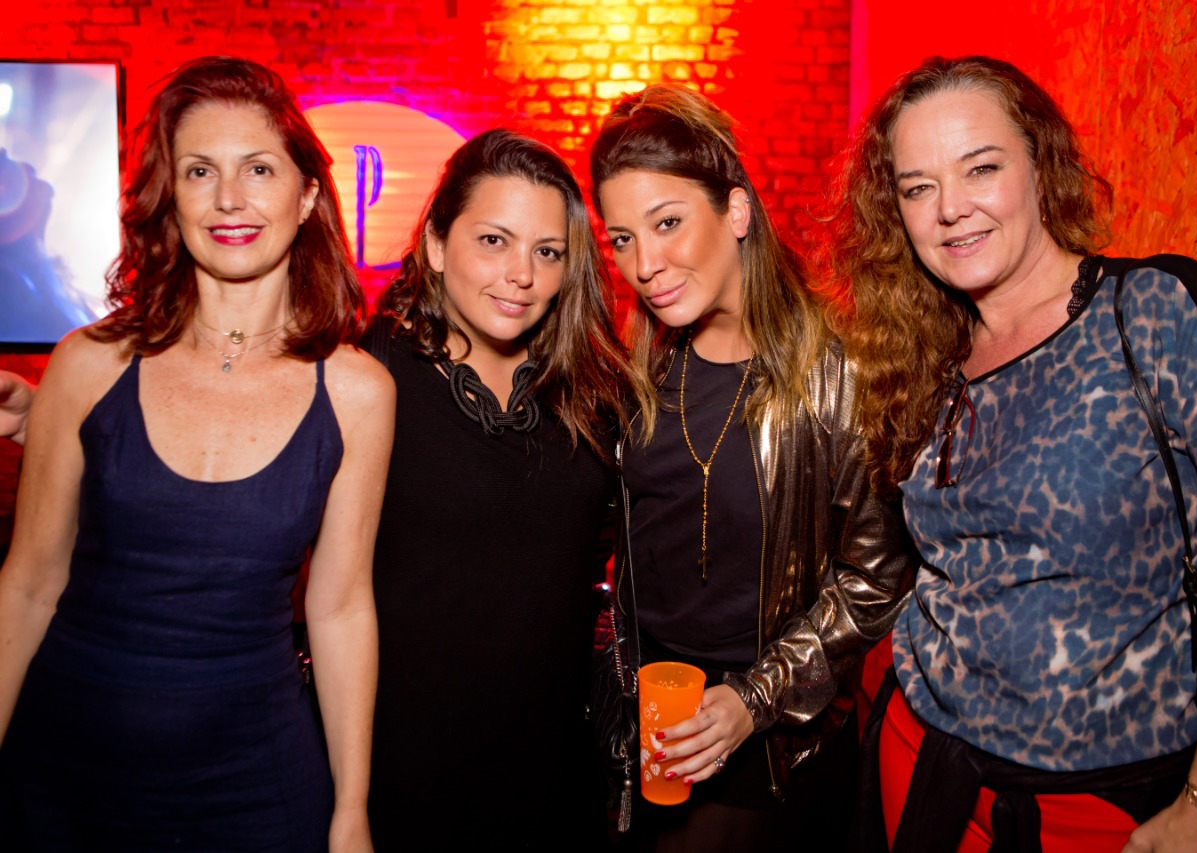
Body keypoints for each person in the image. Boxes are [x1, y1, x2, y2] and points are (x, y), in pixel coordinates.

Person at [832, 55, 1197, 852]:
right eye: (917, 187)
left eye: (981, 168)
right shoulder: (926, 354)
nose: (951, 210)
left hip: (1105, 807)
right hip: (922, 762)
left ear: (1040, 163)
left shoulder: (1149, 314)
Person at [0, 57, 394, 851]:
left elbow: (341, 606)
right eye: (199, 171)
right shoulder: (90, 363)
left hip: (254, 785)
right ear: (169, 197)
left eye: (257, 168)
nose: (228, 198)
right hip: (60, 773)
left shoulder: (357, 391)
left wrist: (350, 809)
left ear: (307, 191)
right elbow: (29, 584)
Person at [589, 84, 918, 850]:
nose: (646, 262)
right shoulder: (633, 378)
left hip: (776, 743)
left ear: (735, 213)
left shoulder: (839, 373)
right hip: (652, 727)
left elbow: (874, 578)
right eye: (623, 239)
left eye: (668, 223)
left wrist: (754, 698)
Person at [360, 128, 638, 849]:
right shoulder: (370, 378)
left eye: (547, 252)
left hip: (551, 775)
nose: (522, 274)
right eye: (493, 240)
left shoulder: (592, 390)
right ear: (433, 245)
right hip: (401, 772)